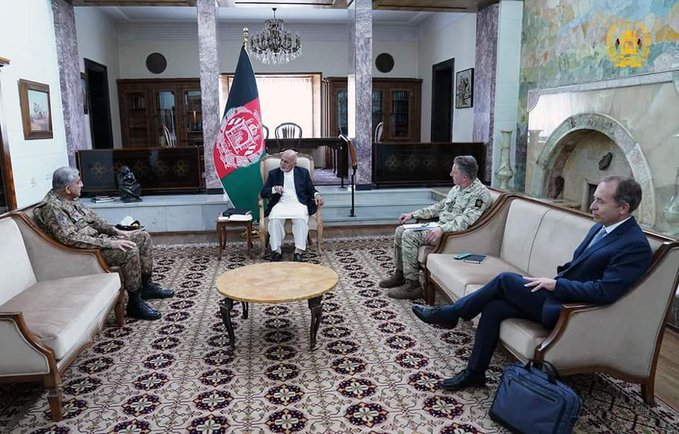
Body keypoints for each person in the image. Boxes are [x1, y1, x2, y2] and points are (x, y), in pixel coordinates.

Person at [411, 176, 652, 391]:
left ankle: (452, 314)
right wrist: (555, 283)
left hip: (571, 312)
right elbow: (577, 266)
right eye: (593, 198)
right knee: (494, 307)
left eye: (600, 201)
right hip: (558, 296)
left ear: (623, 208)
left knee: (506, 279)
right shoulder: (602, 227)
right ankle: (475, 373)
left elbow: (606, 292)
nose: (592, 205)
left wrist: (557, 286)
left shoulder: (633, 245)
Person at [34, 167, 174, 321]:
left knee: (143, 237)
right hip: (85, 253)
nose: (82, 185)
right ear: (67, 188)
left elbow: (94, 220)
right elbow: (70, 239)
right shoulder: (52, 208)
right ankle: (134, 302)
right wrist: (109, 243)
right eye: (78, 182)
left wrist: (116, 232)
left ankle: (146, 287)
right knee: (129, 250)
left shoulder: (70, 198)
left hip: (98, 242)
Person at [380, 155, 491, 299]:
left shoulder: (480, 195)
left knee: (409, 236)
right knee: (401, 230)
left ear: (464, 177)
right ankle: (400, 274)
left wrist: (442, 229)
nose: (451, 174)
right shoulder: (457, 188)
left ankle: (413, 286)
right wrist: (413, 214)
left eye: (454, 172)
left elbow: (465, 221)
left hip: (452, 235)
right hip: (438, 227)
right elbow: (439, 207)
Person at [260, 149, 324, 262]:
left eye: (286, 162)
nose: (282, 164)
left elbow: (311, 189)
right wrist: (274, 189)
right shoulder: (274, 173)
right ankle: (276, 250)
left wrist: (317, 195)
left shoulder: (303, 173)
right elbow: (263, 193)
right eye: (282, 160)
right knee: (274, 219)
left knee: (300, 220)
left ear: (294, 163)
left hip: (298, 203)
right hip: (280, 203)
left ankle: (298, 251)